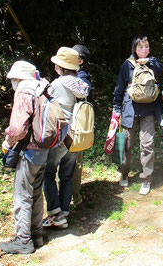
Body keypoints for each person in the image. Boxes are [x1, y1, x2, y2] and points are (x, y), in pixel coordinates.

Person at [0, 60, 48, 254]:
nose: (12, 83)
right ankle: (37, 234)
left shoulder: (25, 90)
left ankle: (23, 240)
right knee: (36, 192)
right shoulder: (42, 86)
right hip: (44, 147)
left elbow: (18, 128)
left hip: (29, 149)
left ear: (18, 78)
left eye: (13, 79)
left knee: (22, 194)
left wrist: (8, 142)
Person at [42, 47, 89, 229]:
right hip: (76, 136)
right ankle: (65, 211)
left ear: (60, 67)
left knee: (48, 172)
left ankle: (55, 213)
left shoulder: (57, 85)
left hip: (61, 136)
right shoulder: (81, 85)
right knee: (67, 175)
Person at [112, 36, 163, 195]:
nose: (144, 50)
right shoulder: (127, 65)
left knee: (147, 144)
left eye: (147, 47)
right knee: (127, 143)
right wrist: (116, 107)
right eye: (140, 47)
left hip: (149, 109)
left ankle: (146, 177)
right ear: (135, 48)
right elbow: (120, 87)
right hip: (130, 109)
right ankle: (124, 172)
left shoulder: (154, 63)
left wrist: (152, 63)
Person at [71, 44, 92, 207]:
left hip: (76, 126)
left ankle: (74, 195)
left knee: (75, 161)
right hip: (70, 125)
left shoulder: (82, 78)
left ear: (80, 60)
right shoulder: (74, 76)